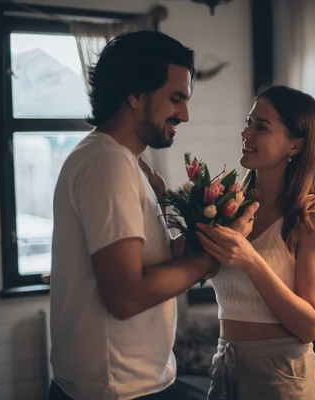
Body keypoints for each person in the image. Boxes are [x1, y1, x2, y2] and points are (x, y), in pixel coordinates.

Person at [48, 30, 258, 400]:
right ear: (134, 94)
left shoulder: (124, 165)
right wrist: (214, 257)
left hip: (137, 383)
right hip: (117, 389)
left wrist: (215, 235)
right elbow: (126, 296)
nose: (185, 114)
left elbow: (152, 264)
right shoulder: (108, 164)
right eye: (176, 99)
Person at [196, 85, 315, 399]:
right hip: (225, 369)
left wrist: (251, 260)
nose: (245, 133)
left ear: (296, 146)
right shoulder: (230, 206)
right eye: (248, 122)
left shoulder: (311, 214)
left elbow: (310, 326)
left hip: (282, 377)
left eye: (261, 127)